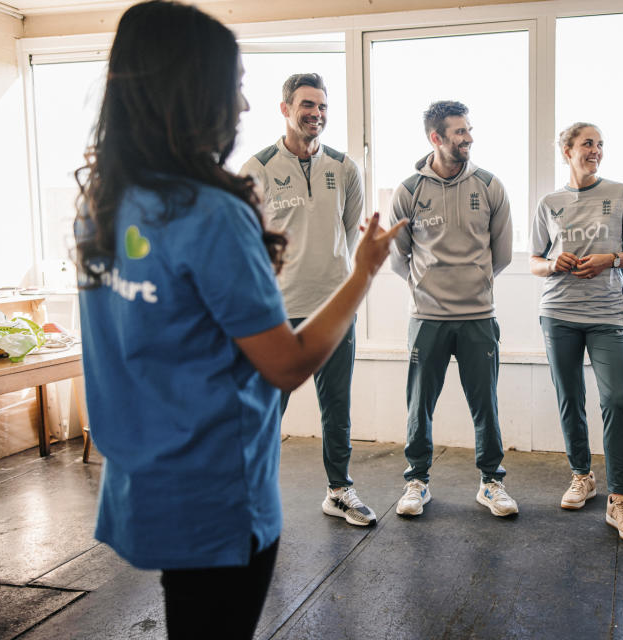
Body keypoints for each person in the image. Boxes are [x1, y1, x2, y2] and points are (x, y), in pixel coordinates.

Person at [73, 2, 405, 637]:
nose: (244, 105)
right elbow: (284, 365)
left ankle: (342, 485)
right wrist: (364, 271)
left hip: (144, 483)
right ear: (191, 92)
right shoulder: (210, 210)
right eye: (235, 86)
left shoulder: (105, 199)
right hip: (214, 494)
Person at [240, 73, 375, 527]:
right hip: (276, 312)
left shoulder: (344, 167)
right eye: (306, 105)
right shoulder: (257, 168)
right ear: (285, 109)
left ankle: (339, 490)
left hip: (334, 309)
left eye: (321, 107)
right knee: (264, 412)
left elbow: (349, 231)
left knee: (337, 406)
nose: (315, 114)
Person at [387, 100, 517, 517]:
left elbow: (502, 254)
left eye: (469, 130)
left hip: (479, 316)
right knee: (419, 405)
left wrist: (474, 284)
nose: (468, 138)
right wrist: (429, 289)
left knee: (486, 405)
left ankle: (492, 482)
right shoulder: (408, 191)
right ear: (436, 138)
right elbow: (397, 257)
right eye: (459, 132)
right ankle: (417, 481)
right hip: (427, 319)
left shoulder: (490, 185)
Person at [529, 123, 623, 542]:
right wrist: (552, 264)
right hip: (558, 312)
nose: (595, 150)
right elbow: (533, 261)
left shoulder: (621, 194)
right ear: (567, 150)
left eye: (600, 145)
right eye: (587, 144)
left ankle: (620, 500)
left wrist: (611, 259)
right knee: (570, 399)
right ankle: (582, 476)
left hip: (608, 313)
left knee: (617, 400)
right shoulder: (549, 202)